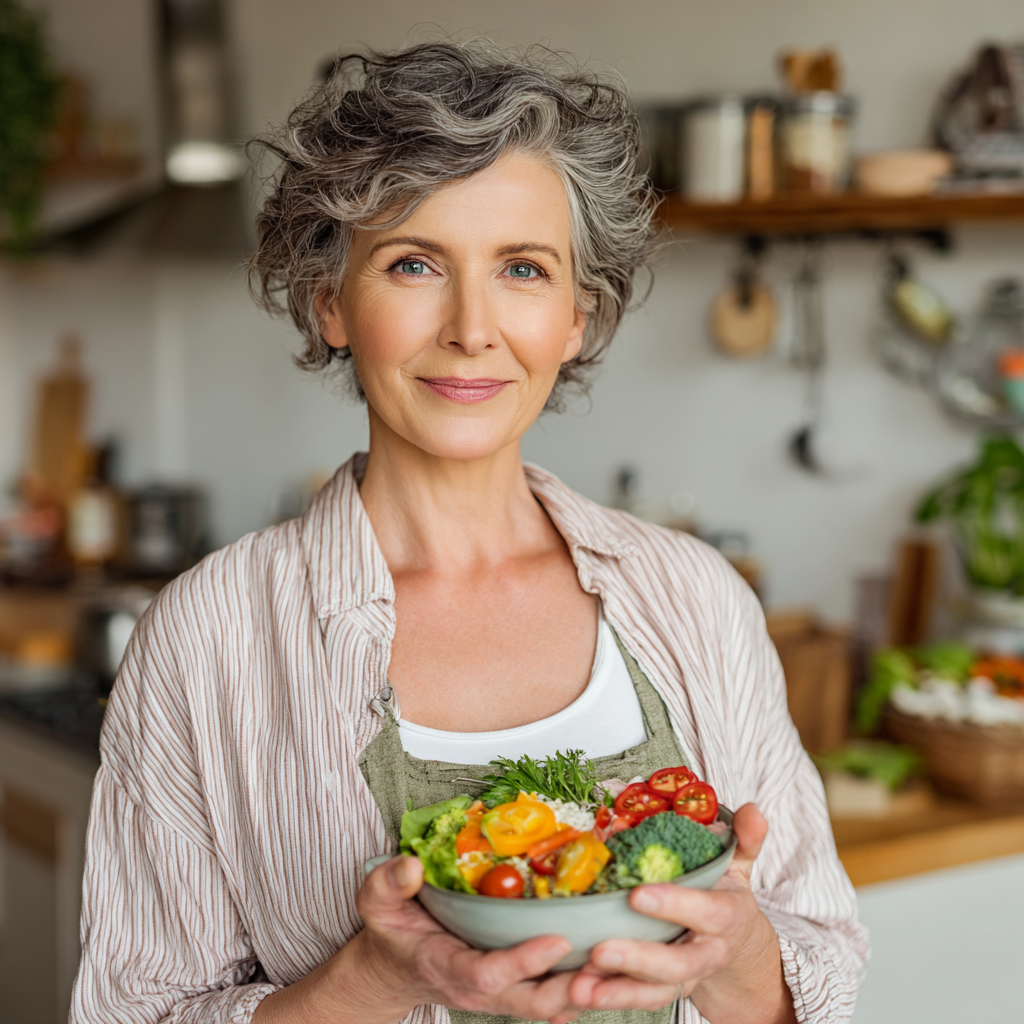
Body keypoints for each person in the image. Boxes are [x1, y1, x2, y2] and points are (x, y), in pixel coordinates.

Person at [70, 41, 867, 1024]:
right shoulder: (206, 639)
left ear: (577, 315)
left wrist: (741, 959)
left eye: (522, 269)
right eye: (413, 264)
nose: (471, 327)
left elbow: (817, 967)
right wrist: (374, 977)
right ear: (331, 303)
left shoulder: (693, 597)